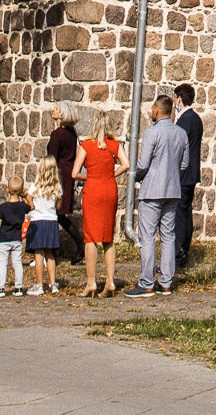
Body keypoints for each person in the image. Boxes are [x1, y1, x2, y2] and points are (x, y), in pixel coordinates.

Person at [125, 94, 188, 297]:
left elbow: (143, 164)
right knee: (168, 236)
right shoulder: (181, 133)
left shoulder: (152, 133)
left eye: (153, 108)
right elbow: (184, 164)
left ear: (158, 110)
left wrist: (136, 176)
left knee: (148, 236)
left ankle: (146, 282)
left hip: (152, 189)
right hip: (173, 189)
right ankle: (166, 282)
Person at [77, 108, 123, 297]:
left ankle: (91, 282)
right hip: (109, 188)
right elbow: (126, 164)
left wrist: (88, 177)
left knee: (90, 237)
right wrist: (111, 173)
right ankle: (111, 281)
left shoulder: (86, 145)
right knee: (107, 237)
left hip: (93, 189)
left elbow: (74, 172)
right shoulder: (114, 145)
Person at [172, 82, 203, 266]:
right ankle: (184, 249)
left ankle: (179, 252)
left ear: (179, 99)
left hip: (184, 173)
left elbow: (179, 147)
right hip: (191, 173)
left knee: (180, 213)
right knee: (186, 210)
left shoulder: (185, 120)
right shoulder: (196, 118)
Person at [24, 160, 64, 295]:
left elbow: (28, 197)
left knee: (38, 254)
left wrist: (32, 205)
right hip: (51, 222)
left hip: (37, 222)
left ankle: (39, 284)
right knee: (50, 254)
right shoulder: (57, 187)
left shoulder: (35, 186)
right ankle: (53, 284)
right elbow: (58, 206)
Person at [0, 179, 29, 296]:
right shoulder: (22, 206)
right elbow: (31, 206)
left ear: (7, 190)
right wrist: (26, 195)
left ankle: (0, 287)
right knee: (17, 263)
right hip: (17, 239)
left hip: (4, 239)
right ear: (21, 191)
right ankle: (18, 287)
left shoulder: (3, 207)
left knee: (2, 263)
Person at [46, 106, 79, 227]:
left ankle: (78, 241)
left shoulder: (57, 134)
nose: (53, 110)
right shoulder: (72, 133)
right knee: (59, 214)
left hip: (58, 175)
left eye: (57, 109)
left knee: (55, 212)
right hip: (67, 173)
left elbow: (52, 157)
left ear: (62, 114)